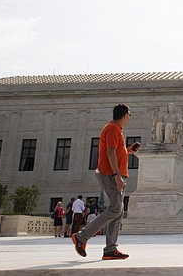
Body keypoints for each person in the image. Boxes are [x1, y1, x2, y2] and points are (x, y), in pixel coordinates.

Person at [72, 104, 138, 260]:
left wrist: (128, 150)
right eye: (129, 115)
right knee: (115, 209)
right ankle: (82, 237)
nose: (129, 118)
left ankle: (110, 249)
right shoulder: (112, 129)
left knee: (118, 211)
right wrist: (116, 175)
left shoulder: (117, 130)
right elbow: (110, 152)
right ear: (125, 116)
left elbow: (116, 152)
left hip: (115, 174)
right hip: (110, 175)